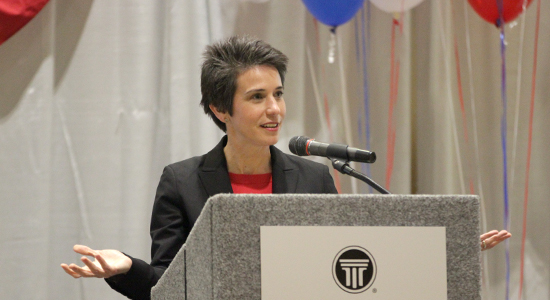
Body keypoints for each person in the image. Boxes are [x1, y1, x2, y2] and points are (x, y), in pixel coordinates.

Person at [61, 35, 511, 299]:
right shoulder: (182, 180)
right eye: (257, 97)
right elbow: (169, 287)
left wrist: (443, 252)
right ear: (221, 108)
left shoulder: (313, 176)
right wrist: (124, 269)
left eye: (277, 93)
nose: (274, 109)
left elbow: (349, 262)